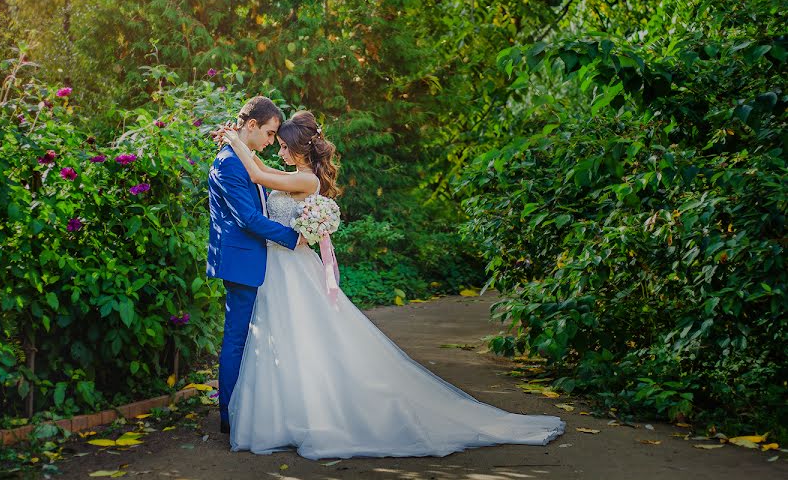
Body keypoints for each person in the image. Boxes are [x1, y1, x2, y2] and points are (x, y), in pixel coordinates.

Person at [218, 110, 566, 460]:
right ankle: (288, 412)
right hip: (278, 268)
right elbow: (263, 176)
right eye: (274, 143)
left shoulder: (307, 182)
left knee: (306, 338)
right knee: (289, 339)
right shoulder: (297, 175)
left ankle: (309, 413)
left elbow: (258, 174)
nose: (277, 152)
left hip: (291, 266)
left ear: (299, 149)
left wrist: (235, 141)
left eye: (282, 146)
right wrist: (238, 145)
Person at [206, 96, 305, 435]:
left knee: (254, 338)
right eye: (269, 133)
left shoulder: (243, 159)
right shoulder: (228, 164)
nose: (270, 141)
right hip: (241, 262)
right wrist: (293, 238)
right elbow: (247, 218)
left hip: (256, 261)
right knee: (237, 339)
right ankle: (230, 417)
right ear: (251, 126)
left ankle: (250, 410)